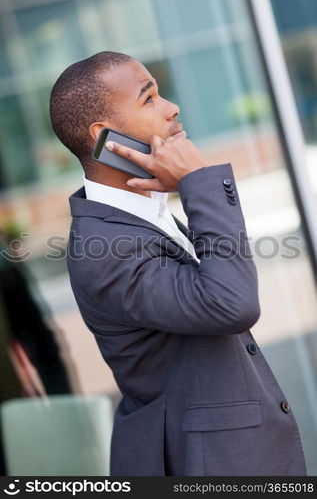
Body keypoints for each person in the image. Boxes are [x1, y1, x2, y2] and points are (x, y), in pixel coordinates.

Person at [49, 51, 307, 476]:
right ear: (106, 136)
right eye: (149, 99)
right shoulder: (104, 247)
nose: (172, 108)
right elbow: (231, 303)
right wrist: (198, 181)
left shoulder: (144, 213)